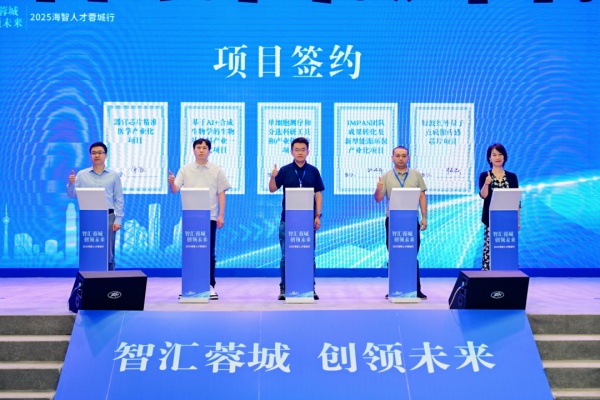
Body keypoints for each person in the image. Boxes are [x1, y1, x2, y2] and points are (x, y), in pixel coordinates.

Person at [169, 138, 231, 300]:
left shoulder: (217, 170)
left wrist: (221, 215)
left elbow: (221, 193)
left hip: (209, 217)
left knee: (209, 253)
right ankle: (190, 285)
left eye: (204, 148)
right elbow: (175, 190)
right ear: (193, 150)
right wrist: (171, 183)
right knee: (191, 252)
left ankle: (209, 285)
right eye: (198, 147)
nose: (201, 150)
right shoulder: (185, 169)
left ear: (209, 151)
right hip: (191, 217)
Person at [269, 137, 324, 301]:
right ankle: (284, 287)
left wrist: (317, 215)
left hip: (308, 221)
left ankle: (309, 287)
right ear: (291, 152)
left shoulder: (313, 171)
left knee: (309, 256)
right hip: (288, 221)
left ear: (308, 152)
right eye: (297, 150)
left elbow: (318, 194)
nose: (300, 152)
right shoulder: (285, 170)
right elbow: (272, 189)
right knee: (286, 256)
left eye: (303, 150)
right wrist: (273, 177)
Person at [374, 145, 428, 299]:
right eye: (397, 156)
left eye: (404, 156)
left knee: (412, 254)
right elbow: (378, 199)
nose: (401, 159)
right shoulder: (386, 176)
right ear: (392, 158)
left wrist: (424, 217)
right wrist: (378, 188)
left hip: (411, 220)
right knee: (395, 255)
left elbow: (422, 196)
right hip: (393, 221)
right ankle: (395, 287)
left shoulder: (416, 175)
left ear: (408, 157)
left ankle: (415, 289)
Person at [66, 142, 124, 271]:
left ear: (106, 155)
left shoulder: (114, 175)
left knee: (108, 252)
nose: (97, 155)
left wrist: (118, 219)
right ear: (90, 155)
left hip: (108, 217)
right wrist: (71, 184)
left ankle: (109, 277)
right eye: (94, 153)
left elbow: (119, 198)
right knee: (89, 249)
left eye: (100, 152)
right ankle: (88, 276)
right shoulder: (82, 174)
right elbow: (72, 195)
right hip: (89, 217)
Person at [478, 143, 519, 271]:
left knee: (508, 248)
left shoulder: (512, 177)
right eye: (494, 155)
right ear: (489, 158)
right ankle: (488, 276)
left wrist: (517, 220)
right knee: (490, 248)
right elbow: (483, 195)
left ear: (504, 157)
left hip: (508, 219)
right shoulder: (485, 175)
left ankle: (509, 275)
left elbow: (516, 200)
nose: (497, 157)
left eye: (500, 154)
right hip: (491, 220)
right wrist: (486, 184)